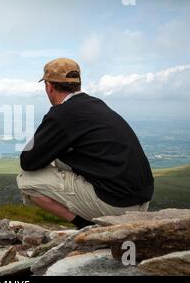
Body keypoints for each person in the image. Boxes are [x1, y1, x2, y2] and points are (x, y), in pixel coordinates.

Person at [17, 58, 154, 229]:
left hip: (118, 206)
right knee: (59, 158)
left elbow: (28, 161)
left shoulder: (62, 114)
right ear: (77, 84)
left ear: (49, 86)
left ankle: (84, 224)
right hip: (142, 199)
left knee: (26, 179)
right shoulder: (96, 104)